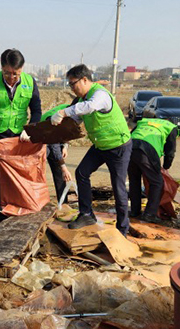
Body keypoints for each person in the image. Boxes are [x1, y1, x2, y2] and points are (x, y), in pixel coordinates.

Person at [51, 64, 132, 236]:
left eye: (73, 84)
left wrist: (64, 112)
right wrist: (54, 135)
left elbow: (90, 107)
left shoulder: (99, 95)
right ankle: (87, 214)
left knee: (118, 188)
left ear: (85, 80)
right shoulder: (82, 101)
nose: (72, 88)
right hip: (101, 146)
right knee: (82, 172)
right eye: (70, 85)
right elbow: (74, 122)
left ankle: (123, 229)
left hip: (118, 147)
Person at [0, 49, 42, 206]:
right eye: (7, 73)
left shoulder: (29, 82)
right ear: (1, 68)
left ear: (22, 69)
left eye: (16, 74)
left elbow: (36, 110)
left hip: (20, 137)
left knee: (19, 177)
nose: (12, 78)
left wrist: (30, 129)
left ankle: (17, 208)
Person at [128, 118, 178, 223]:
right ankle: (149, 214)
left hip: (129, 148)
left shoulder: (145, 121)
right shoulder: (171, 127)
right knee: (157, 182)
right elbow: (170, 152)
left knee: (134, 181)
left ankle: (134, 211)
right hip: (146, 150)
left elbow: (132, 134)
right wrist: (165, 167)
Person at [41, 104, 74, 202]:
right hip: (41, 141)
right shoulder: (57, 117)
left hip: (52, 139)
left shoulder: (70, 111)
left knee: (59, 172)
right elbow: (53, 145)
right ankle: (39, 201)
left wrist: (65, 146)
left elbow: (66, 131)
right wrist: (64, 168)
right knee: (39, 172)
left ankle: (63, 201)